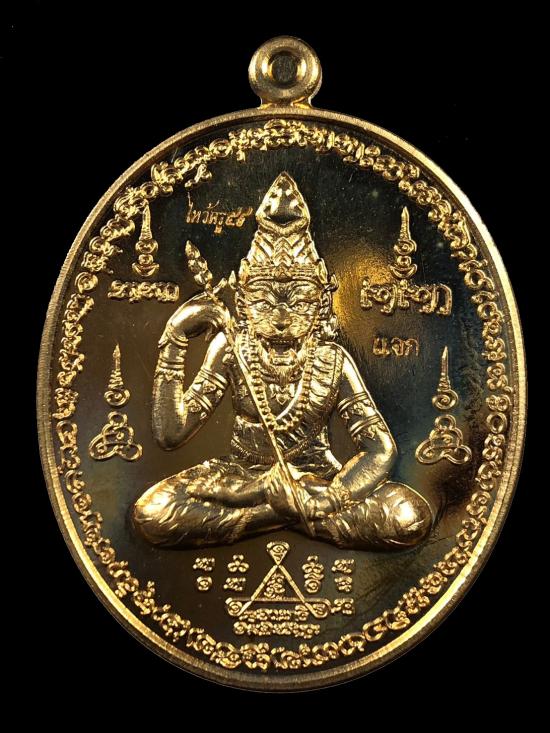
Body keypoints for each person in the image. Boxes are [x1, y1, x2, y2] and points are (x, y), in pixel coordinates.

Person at [133, 172, 433, 549]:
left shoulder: (332, 359)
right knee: (153, 512)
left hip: (316, 483)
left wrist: (331, 497)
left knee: (407, 516)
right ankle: (281, 513)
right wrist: (175, 338)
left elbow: (380, 449)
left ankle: (276, 513)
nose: (280, 318)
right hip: (242, 480)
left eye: (299, 303)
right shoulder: (231, 348)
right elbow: (170, 433)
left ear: (321, 305)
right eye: (264, 302)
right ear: (243, 303)